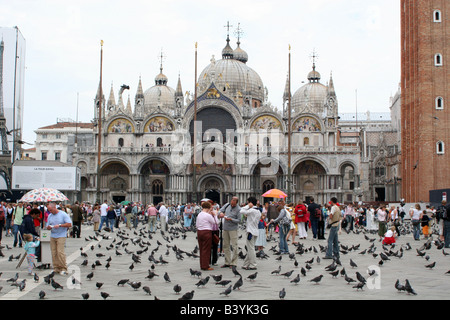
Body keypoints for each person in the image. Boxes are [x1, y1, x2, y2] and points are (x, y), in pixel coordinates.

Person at [46, 202, 72, 275]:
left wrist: (60, 225)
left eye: (50, 210)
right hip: (53, 235)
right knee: (54, 252)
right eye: (48, 210)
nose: (50, 211)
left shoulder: (63, 214)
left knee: (60, 252)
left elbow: (69, 224)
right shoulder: (50, 216)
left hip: (61, 235)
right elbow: (47, 225)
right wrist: (48, 227)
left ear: (55, 207)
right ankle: (56, 268)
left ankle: (64, 268)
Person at [218, 197, 241, 268]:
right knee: (225, 245)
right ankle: (227, 262)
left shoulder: (239, 209)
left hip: (233, 229)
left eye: (234, 204)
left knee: (234, 246)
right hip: (225, 228)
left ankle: (234, 263)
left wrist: (231, 219)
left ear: (236, 203)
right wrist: (221, 214)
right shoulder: (227, 205)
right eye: (232, 203)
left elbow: (239, 220)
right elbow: (219, 211)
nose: (232, 205)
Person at [196, 201, 219, 271]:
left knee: (201, 248)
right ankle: (205, 266)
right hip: (207, 232)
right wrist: (214, 215)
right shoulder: (207, 215)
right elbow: (216, 222)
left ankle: (202, 264)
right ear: (208, 208)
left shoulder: (199, 214)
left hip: (199, 232)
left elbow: (196, 225)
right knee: (206, 249)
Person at [240, 196, 261, 270]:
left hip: (250, 232)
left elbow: (241, 211)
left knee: (251, 249)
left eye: (248, 202)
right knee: (250, 248)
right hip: (255, 231)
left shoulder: (252, 210)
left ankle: (253, 264)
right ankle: (246, 264)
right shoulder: (258, 211)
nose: (247, 204)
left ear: (251, 203)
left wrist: (247, 206)